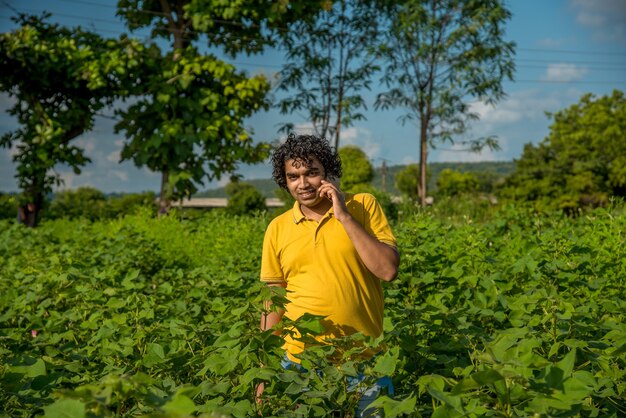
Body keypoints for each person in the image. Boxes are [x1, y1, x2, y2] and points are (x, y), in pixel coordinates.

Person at [258, 133, 399, 415]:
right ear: (284, 181)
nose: (303, 183)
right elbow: (274, 298)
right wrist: (263, 371)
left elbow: (387, 270)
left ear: (328, 174)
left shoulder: (363, 206)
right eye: (293, 176)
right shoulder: (278, 227)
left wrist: (343, 215)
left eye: (311, 173)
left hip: (363, 360)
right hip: (301, 363)